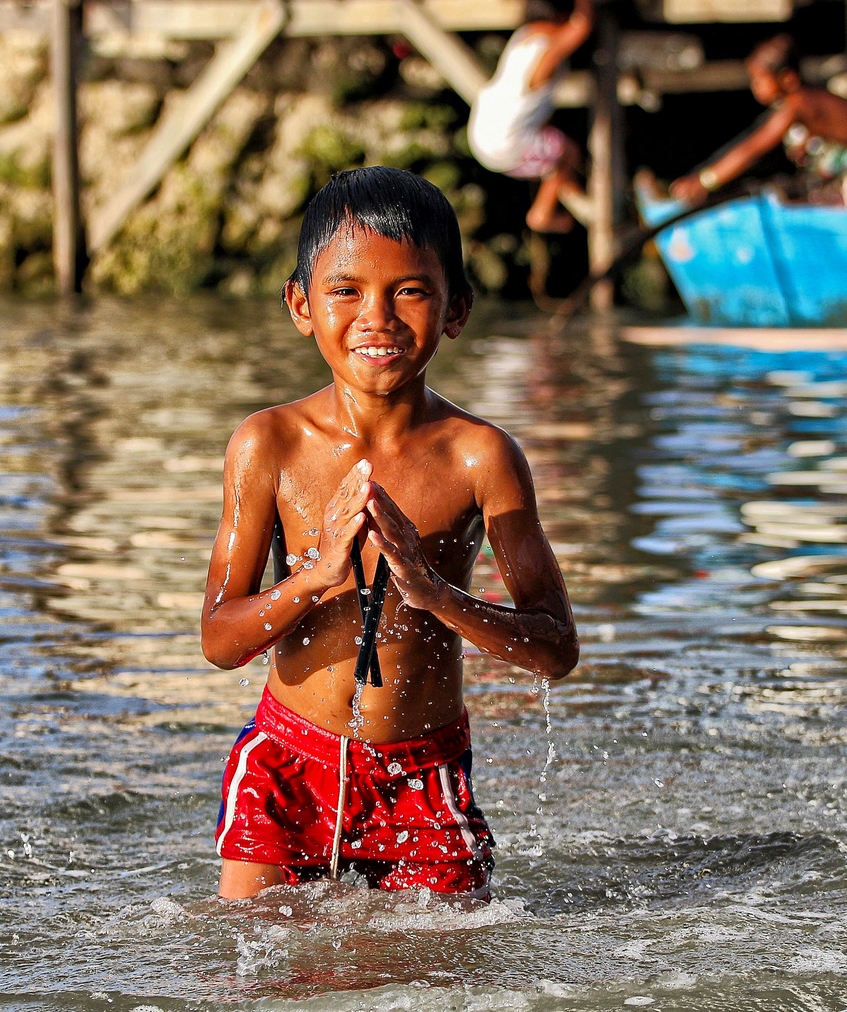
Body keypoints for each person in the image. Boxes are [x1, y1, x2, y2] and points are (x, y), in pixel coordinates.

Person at [202, 166, 578, 900]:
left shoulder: (481, 457)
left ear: (457, 309)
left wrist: (436, 594)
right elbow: (220, 639)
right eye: (346, 290)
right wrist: (314, 577)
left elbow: (556, 650)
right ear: (300, 305)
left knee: (432, 982)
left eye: (409, 290)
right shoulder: (268, 445)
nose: (376, 316)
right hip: (289, 762)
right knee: (248, 978)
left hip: (422, 774)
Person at [666, 34, 847, 204]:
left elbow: (753, 147)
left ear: (788, 79)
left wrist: (703, 181)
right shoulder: (803, 101)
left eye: (760, 80)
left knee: (825, 183)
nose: (755, 88)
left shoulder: (794, 105)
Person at [467, 0, 592, 233]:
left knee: (551, 143)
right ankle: (541, 214)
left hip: (482, 134)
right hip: (504, 144)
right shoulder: (544, 53)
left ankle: (562, 185)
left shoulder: (524, 36)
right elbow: (581, 25)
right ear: (559, 16)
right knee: (566, 150)